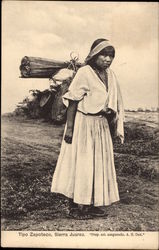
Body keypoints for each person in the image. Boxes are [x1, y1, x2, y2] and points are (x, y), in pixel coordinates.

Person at [51, 38, 124, 219]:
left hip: (101, 125)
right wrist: (70, 129)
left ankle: (90, 205)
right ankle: (76, 208)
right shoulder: (85, 72)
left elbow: (113, 102)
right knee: (81, 164)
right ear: (94, 55)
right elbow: (73, 101)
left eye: (111, 56)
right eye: (104, 55)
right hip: (83, 124)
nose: (108, 59)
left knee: (97, 164)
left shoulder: (110, 75)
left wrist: (112, 121)